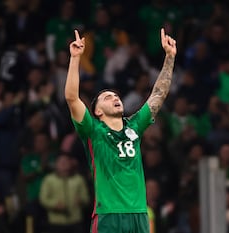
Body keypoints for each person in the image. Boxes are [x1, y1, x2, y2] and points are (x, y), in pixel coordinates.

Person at [64, 28, 176, 233]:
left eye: (116, 96)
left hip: (139, 214)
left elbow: (158, 95)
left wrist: (169, 57)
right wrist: (75, 58)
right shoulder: (93, 130)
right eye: (108, 97)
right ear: (97, 111)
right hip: (109, 215)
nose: (115, 98)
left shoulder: (134, 126)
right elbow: (72, 98)